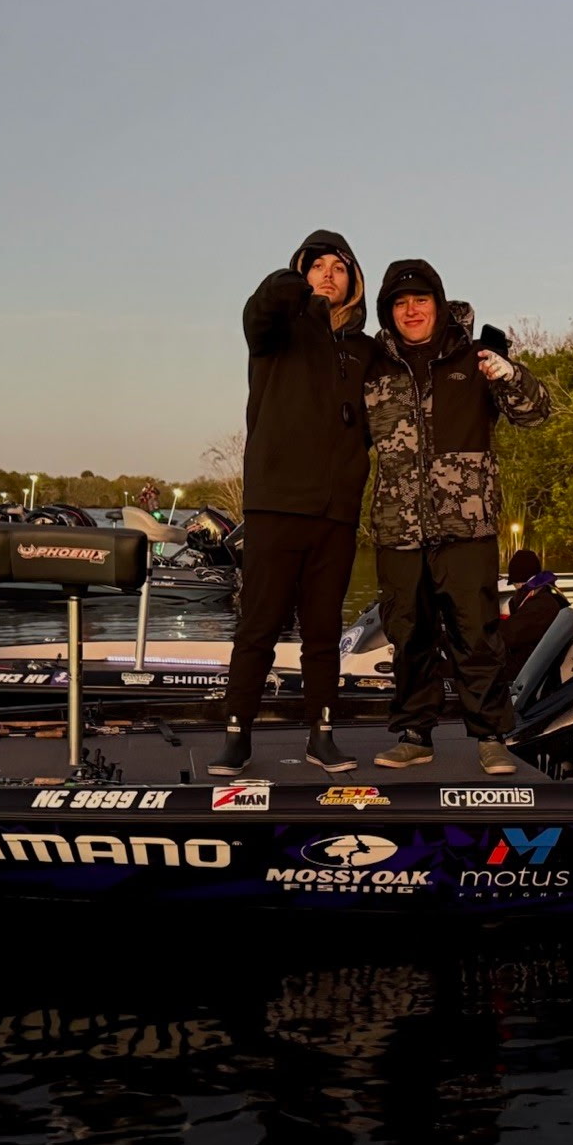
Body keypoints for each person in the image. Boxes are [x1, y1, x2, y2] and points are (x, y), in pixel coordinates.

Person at [365, 260, 551, 775]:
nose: (411, 310)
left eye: (421, 300)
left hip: (467, 527)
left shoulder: (477, 356)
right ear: (388, 312)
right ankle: (414, 735)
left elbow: (536, 413)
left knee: (477, 633)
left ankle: (491, 736)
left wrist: (512, 375)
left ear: (440, 305)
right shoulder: (372, 368)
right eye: (400, 303)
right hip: (397, 529)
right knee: (408, 634)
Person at [208, 230, 375, 776]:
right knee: (258, 625)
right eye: (317, 265)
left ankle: (321, 735)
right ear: (301, 273)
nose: (329, 274)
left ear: (355, 281)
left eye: (339, 268)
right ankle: (237, 735)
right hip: (275, 503)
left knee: (323, 631)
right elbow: (261, 309)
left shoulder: (365, 350)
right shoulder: (277, 329)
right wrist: (295, 284)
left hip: (336, 512)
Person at [499, 549, 571, 684]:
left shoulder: (542, 605)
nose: (515, 588)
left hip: (532, 672)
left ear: (521, 581)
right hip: (531, 664)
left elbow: (510, 634)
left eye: (515, 583)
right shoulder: (543, 595)